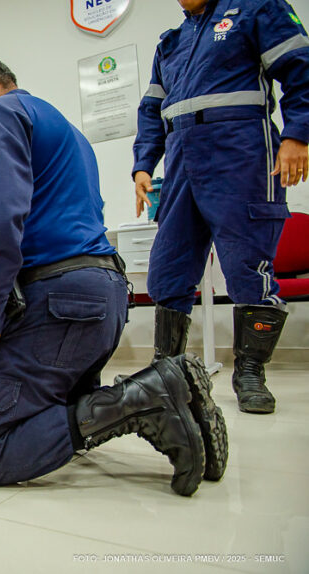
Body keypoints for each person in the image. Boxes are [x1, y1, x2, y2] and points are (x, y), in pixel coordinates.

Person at [0, 52, 228, 496]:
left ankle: (147, 396)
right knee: (54, 410)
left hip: (61, 304)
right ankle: (171, 395)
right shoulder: (65, 129)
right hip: (103, 301)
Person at [133, 0, 308, 414]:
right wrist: (143, 164)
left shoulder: (255, 8)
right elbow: (150, 110)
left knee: (247, 267)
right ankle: (166, 371)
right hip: (180, 159)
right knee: (167, 270)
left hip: (240, 152)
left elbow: (301, 69)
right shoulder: (171, 44)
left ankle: (250, 372)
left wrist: (298, 134)